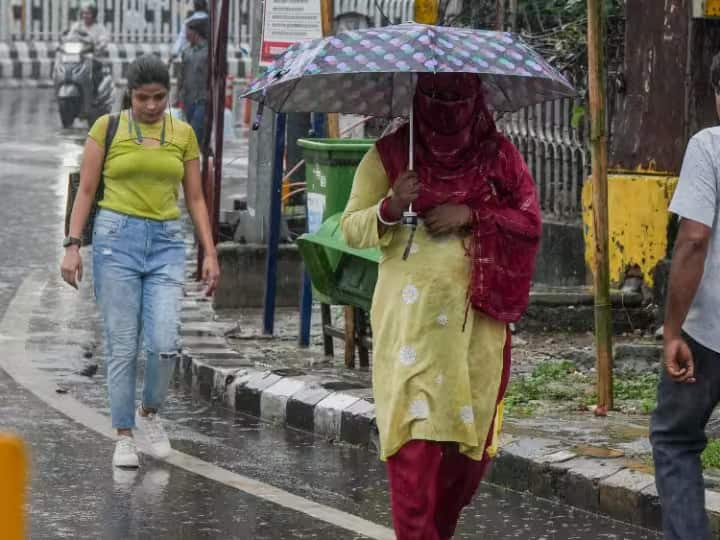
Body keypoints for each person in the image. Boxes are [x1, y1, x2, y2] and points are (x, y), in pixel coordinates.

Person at [341, 73, 542, 539]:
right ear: (417, 97)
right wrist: (391, 206)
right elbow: (350, 226)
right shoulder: (392, 155)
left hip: (476, 335)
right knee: (414, 457)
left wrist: (470, 214)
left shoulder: (500, 158)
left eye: (457, 98)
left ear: (476, 101)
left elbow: (529, 222)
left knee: (460, 466)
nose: (445, 108)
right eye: (435, 96)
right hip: (411, 334)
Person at [60, 55, 220, 469]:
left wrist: (210, 253)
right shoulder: (107, 129)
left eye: (159, 97)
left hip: (167, 244)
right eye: (142, 97)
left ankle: (149, 412)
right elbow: (86, 190)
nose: (151, 105)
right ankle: (124, 435)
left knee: (165, 342)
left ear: (169, 94)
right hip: (116, 243)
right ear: (129, 94)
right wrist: (73, 245)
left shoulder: (182, 134)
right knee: (122, 344)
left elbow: (196, 198)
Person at [650, 52, 720, 540]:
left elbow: (694, 239)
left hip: (708, 333)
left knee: (676, 439)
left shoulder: (710, 146)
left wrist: (672, 330)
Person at [178, 17, 209, 144]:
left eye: (187, 31)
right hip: (188, 100)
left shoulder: (208, 52)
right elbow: (182, 75)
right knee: (188, 132)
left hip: (202, 100)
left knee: (196, 134)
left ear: (195, 32)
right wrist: (178, 96)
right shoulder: (186, 52)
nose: (185, 34)